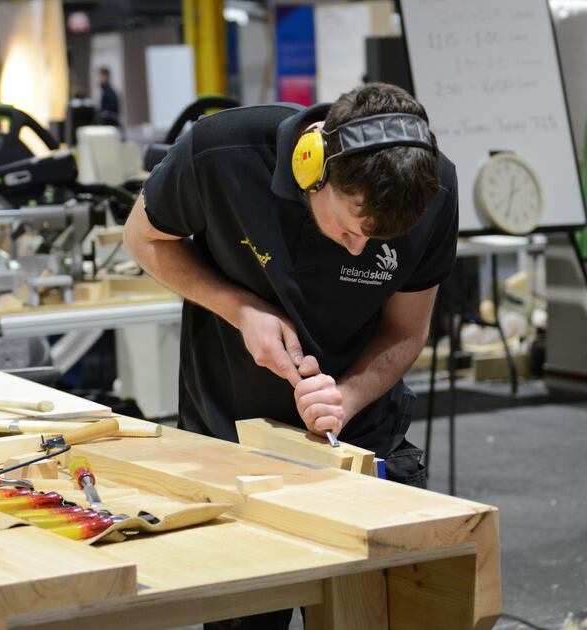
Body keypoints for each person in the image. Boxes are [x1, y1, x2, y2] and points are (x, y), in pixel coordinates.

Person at [123, 81, 456, 629]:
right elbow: (143, 239)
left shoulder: (437, 192)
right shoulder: (220, 153)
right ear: (312, 166)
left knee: (370, 614)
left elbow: (406, 329)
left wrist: (345, 398)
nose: (358, 250)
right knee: (246, 618)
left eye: (375, 246)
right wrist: (241, 310)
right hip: (230, 440)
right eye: (350, 229)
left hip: (357, 444)